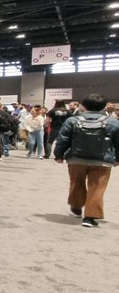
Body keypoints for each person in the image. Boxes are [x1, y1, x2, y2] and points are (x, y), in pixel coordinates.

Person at [54, 94, 119, 228]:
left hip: (76, 159)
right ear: (104, 106)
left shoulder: (72, 120)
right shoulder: (113, 122)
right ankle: (90, 217)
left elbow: (63, 139)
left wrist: (59, 155)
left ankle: (76, 206)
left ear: (83, 106)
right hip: (102, 161)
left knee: (76, 183)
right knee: (97, 188)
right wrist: (117, 158)